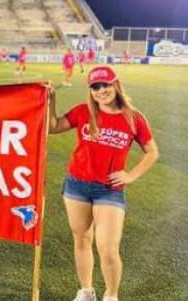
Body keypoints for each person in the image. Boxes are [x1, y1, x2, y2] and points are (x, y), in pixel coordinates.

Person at [49, 66, 159, 301]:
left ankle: (111, 295)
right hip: (77, 185)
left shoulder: (133, 117)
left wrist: (131, 175)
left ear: (116, 85)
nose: (101, 91)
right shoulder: (83, 112)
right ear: (91, 91)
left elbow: (151, 152)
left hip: (109, 191)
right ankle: (86, 291)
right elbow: (52, 127)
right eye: (95, 87)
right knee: (82, 239)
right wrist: (51, 100)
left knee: (108, 250)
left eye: (105, 85)